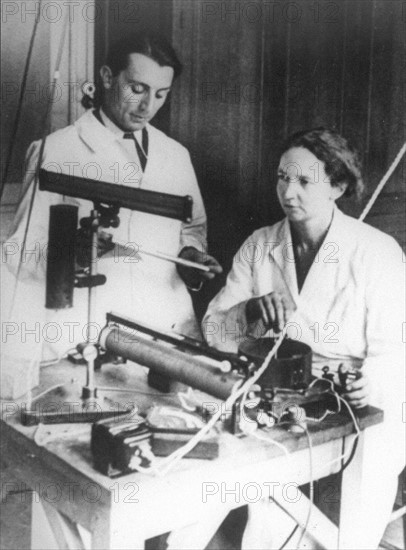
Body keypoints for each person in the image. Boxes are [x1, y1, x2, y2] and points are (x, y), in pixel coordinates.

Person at [202, 128, 405, 549]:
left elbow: (395, 348)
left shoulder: (376, 251)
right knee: (244, 479)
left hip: (359, 399)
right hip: (279, 390)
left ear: (338, 186)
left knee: (369, 471)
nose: (288, 191)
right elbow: (214, 332)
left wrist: (370, 383)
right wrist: (252, 310)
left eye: (304, 181)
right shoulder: (261, 245)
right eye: (282, 177)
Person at [2, 32, 222, 372]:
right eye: (137, 89)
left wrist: (191, 256)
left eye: (161, 94)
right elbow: (19, 253)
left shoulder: (175, 156)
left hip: (164, 334)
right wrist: (72, 254)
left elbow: (191, 230)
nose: (148, 106)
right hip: (84, 337)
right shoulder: (57, 151)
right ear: (107, 77)